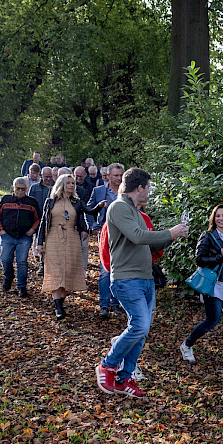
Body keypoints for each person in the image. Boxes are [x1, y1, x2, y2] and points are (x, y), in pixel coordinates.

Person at [95, 168, 189, 398]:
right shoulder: (118, 207)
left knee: (141, 331)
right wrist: (170, 233)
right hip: (127, 279)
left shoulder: (136, 211)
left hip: (145, 279)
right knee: (140, 325)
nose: (149, 191)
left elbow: (148, 243)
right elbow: (138, 236)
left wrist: (174, 236)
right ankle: (107, 365)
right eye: (148, 187)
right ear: (139, 188)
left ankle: (124, 378)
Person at [179, 205, 223, 370]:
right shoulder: (208, 236)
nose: (221, 219)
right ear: (213, 218)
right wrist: (219, 255)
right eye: (218, 216)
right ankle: (187, 345)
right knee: (212, 320)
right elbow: (199, 259)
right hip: (215, 286)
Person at [36, 175, 97, 319]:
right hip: (53, 238)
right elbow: (44, 222)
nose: (71, 185)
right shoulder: (50, 201)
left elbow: (89, 212)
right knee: (56, 271)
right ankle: (58, 307)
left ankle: (60, 301)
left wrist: (99, 206)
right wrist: (39, 242)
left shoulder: (77, 201)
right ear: (62, 184)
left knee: (69, 271)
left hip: (71, 238)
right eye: (68, 183)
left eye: (73, 183)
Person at [0, 177, 40, 298]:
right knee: (5, 259)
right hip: (7, 235)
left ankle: (21, 287)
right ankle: (8, 277)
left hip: (24, 236)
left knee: (22, 261)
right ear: (13, 188)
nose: (20, 191)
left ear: (26, 189)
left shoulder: (32, 202)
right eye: (17, 188)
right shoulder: (5, 199)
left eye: (22, 189)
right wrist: (1, 230)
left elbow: (39, 219)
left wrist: (33, 229)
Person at [89, 163, 124, 318]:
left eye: (121, 175)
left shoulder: (127, 192)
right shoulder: (98, 191)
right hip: (104, 234)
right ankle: (104, 305)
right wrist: (93, 225)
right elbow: (88, 209)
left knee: (119, 270)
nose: (119, 178)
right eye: (116, 175)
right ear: (108, 176)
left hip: (123, 235)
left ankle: (115, 303)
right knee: (105, 270)